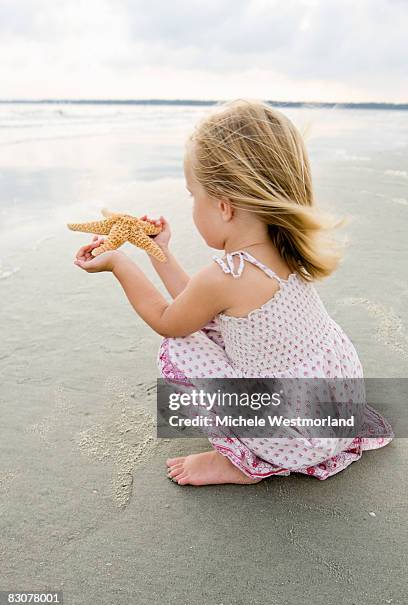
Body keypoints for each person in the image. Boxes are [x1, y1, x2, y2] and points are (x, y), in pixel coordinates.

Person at [73, 98, 393, 486]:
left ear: (224, 207)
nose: (192, 205)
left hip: (293, 434)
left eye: (193, 195)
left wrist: (119, 264)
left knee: (181, 347)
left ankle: (245, 461)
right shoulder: (289, 247)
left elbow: (170, 321)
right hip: (336, 411)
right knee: (205, 330)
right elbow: (201, 304)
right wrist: (159, 251)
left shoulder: (226, 276)